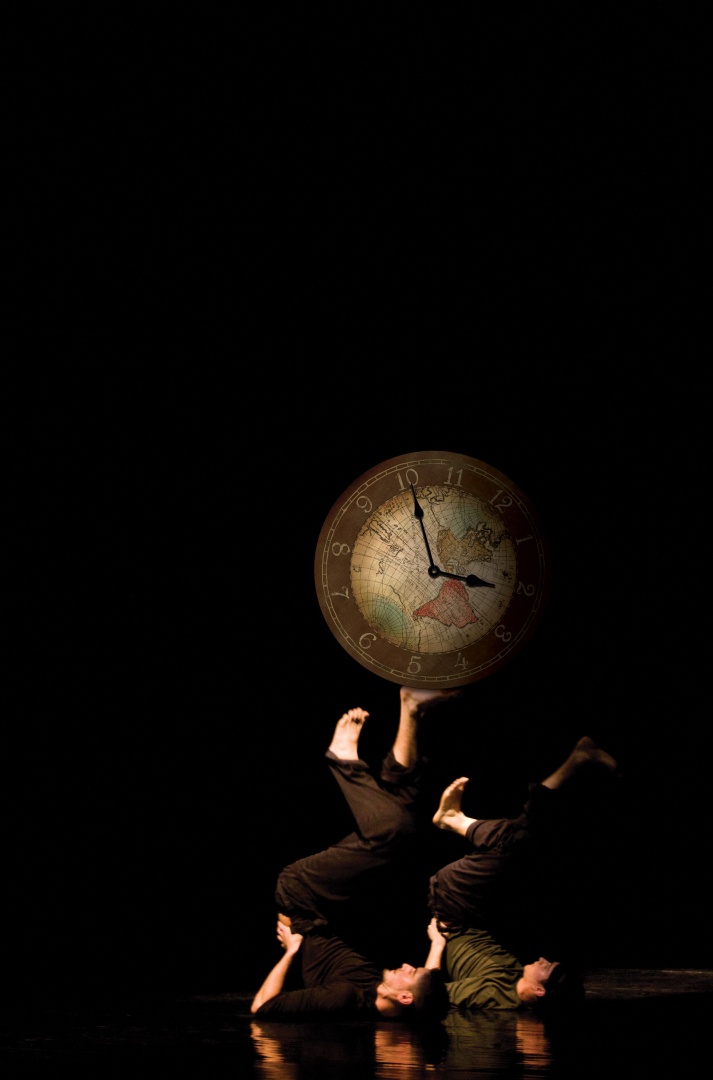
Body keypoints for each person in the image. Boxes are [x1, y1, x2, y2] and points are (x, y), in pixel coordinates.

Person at [250, 687, 460, 1022]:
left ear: (404, 997)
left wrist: (291, 951)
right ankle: (410, 710)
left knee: (391, 831)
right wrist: (436, 945)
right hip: (334, 904)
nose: (409, 965)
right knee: (404, 814)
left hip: (303, 897)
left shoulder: (344, 998)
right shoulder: (391, 998)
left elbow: (262, 1008)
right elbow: (428, 989)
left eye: (412, 972)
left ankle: (343, 761)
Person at [422, 735, 619, 1011]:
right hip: (473, 914)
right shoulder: (515, 980)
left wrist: (437, 944)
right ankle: (454, 820)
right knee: (523, 843)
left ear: (539, 990)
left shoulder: (494, 995)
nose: (543, 960)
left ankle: (454, 820)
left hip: (452, 910)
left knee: (515, 842)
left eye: (547, 967)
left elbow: (432, 996)